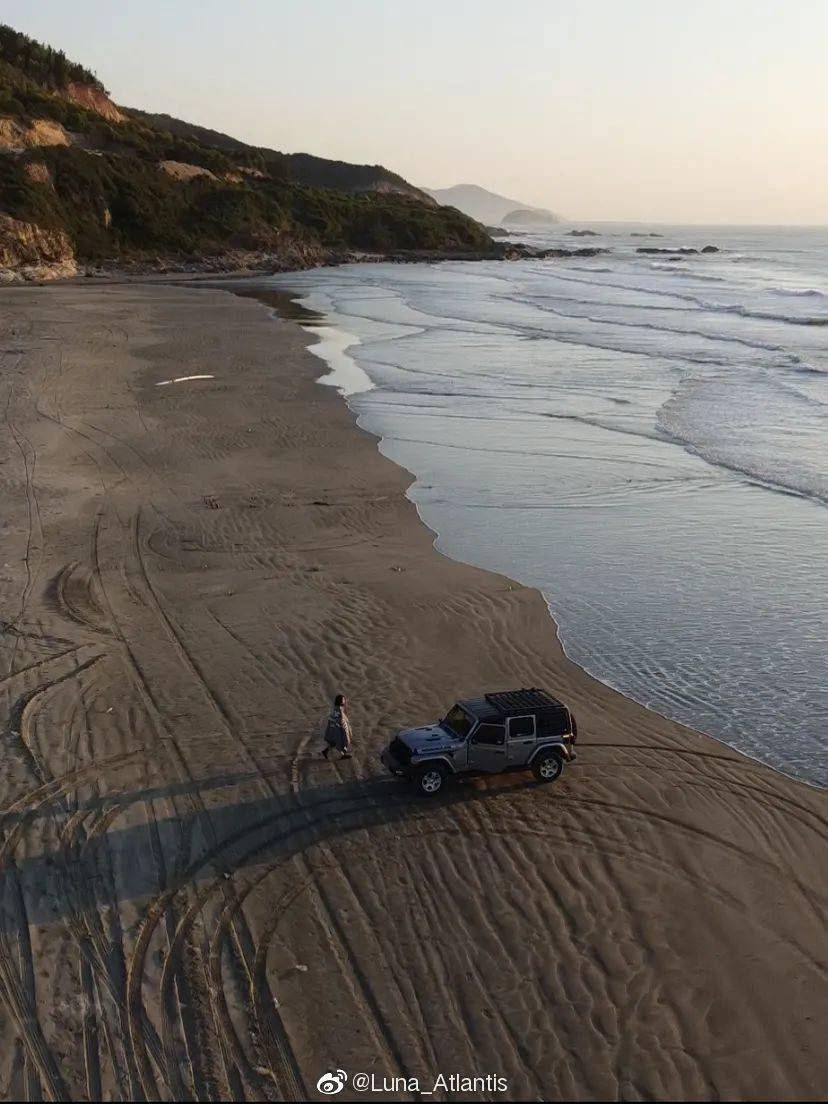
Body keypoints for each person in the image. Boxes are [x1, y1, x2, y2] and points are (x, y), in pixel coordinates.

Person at [322, 693, 353, 759]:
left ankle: (325, 751)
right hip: (338, 727)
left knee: (334, 741)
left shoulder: (336, 708)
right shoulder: (339, 709)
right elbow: (340, 719)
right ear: (340, 701)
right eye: (343, 700)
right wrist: (344, 727)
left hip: (333, 726)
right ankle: (343, 754)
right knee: (344, 740)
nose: (344, 701)